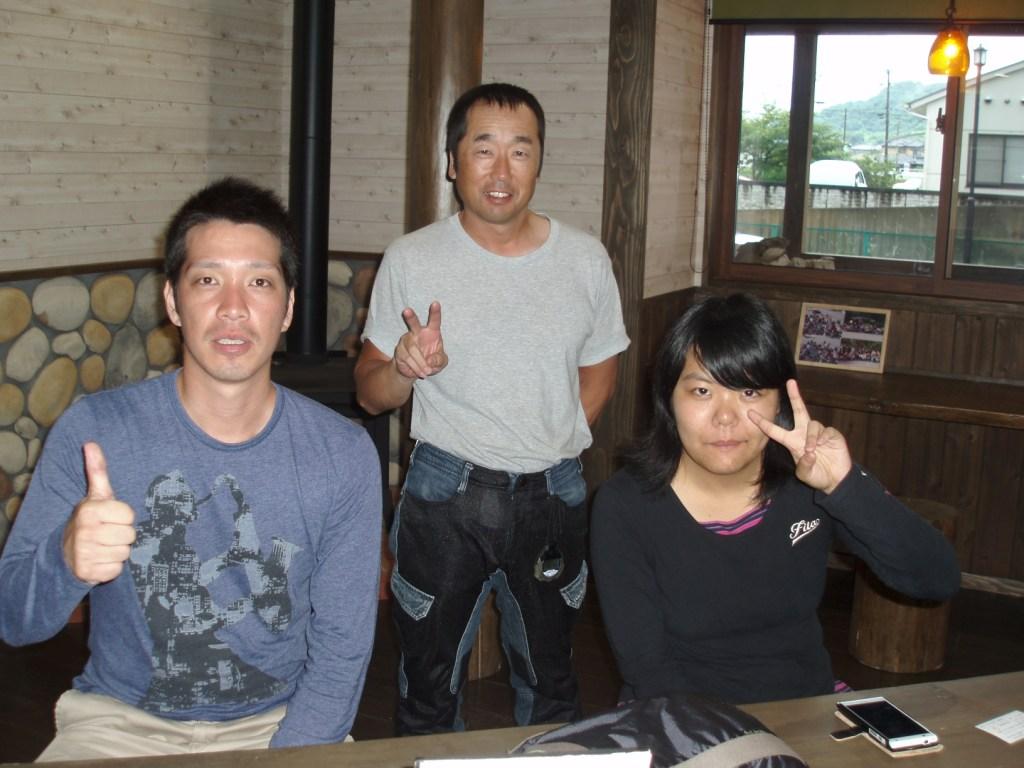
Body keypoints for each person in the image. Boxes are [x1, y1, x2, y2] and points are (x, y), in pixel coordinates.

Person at [0, 178, 382, 759]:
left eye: (259, 282)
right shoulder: (96, 432)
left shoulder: (341, 454)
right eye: (208, 280)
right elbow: (13, 619)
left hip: (282, 722)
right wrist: (65, 558)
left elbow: (341, 656)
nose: (233, 308)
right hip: (119, 724)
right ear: (173, 302)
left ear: (288, 308)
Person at [355, 82, 630, 734]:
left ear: (539, 161)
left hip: (554, 494)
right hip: (445, 496)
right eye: (483, 150)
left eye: (520, 151)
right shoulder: (412, 258)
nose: (501, 170)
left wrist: (553, 437)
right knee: (426, 689)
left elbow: (601, 368)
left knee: (552, 681)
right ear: (453, 162)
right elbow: (368, 392)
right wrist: (402, 367)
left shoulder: (585, 260)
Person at [591, 293, 960, 706]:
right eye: (702, 391)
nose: (726, 417)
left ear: (780, 401)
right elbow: (649, 671)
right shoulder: (625, 505)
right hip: (680, 715)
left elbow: (936, 579)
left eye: (749, 392)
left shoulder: (808, 483)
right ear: (667, 399)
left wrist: (844, 486)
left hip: (804, 706)